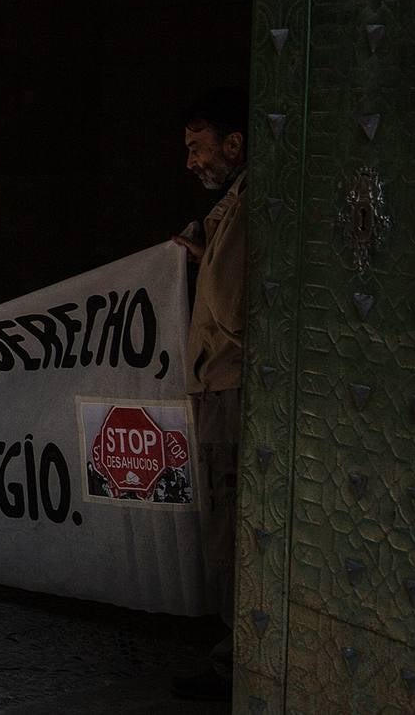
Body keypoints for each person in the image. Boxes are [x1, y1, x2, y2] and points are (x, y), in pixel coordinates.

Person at [168, 87, 247, 702]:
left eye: (198, 148)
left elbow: (231, 307)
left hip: (226, 385)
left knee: (227, 523)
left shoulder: (243, 208)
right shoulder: (234, 207)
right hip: (220, 382)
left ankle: (233, 662)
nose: (192, 161)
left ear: (233, 143)